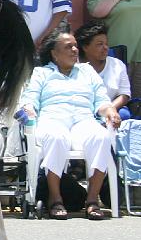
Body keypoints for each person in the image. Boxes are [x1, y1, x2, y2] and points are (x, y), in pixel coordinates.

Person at [20, 29, 120, 220]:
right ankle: (55, 199)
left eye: (75, 46)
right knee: (56, 137)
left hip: (83, 120)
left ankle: (92, 200)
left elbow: (101, 99)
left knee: (101, 137)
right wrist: (29, 109)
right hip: (53, 119)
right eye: (68, 47)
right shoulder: (42, 73)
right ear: (54, 53)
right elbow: (30, 98)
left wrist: (110, 111)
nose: (75, 50)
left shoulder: (87, 71)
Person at [75, 21, 132, 120]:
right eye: (99, 44)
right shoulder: (74, 66)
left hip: (110, 109)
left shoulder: (117, 65)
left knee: (123, 114)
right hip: (80, 110)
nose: (105, 48)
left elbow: (124, 95)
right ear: (85, 47)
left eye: (106, 43)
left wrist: (109, 109)